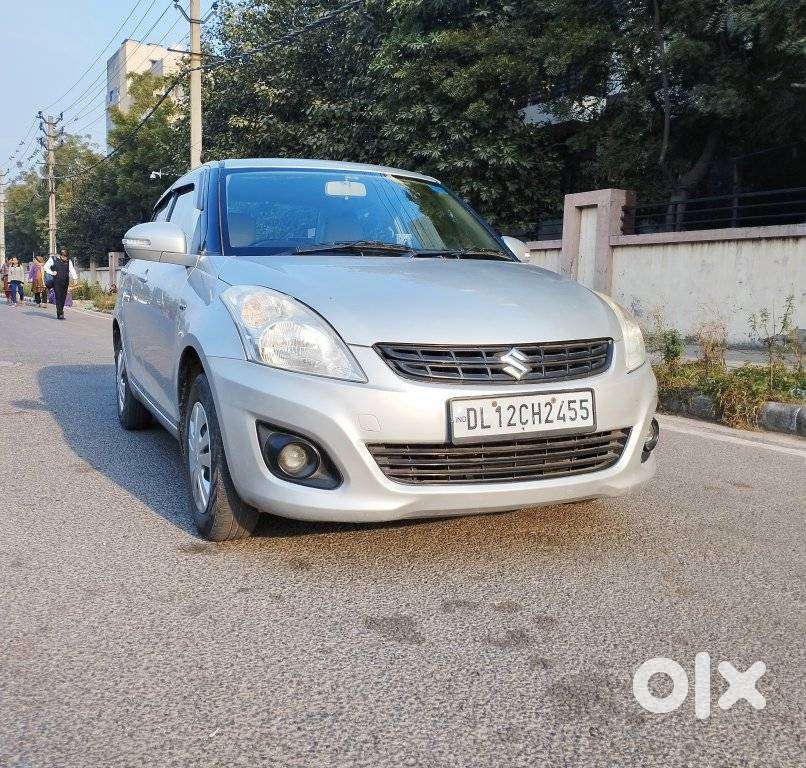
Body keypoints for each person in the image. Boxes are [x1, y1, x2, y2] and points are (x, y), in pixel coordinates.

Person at [44, 247, 78, 320]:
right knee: (58, 296)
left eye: (66, 257)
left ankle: (61, 310)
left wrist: (75, 278)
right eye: (63, 256)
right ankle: (59, 313)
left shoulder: (69, 261)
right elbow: (45, 267)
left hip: (65, 281)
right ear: (60, 255)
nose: (65, 258)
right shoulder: (53, 259)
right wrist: (52, 272)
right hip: (56, 281)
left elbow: (71, 269)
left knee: (63, 296)